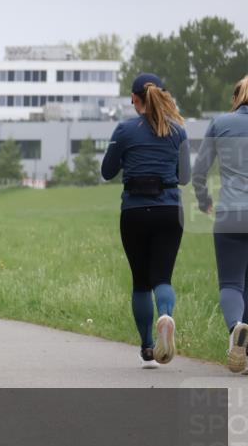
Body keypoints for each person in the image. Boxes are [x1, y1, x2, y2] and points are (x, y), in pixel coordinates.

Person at [101, 73, 191, 369]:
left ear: (135, 99)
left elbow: (107, 171)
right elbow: (185, 177)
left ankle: (148, 347)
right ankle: (165, 315)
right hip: (169, 211)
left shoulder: (125, 130)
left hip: (135, 212)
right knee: (162, 277)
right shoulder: (178, 131)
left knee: (141, 282)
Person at [192, 75, 248, 373]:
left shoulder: (221, 123)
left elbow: (199, 170)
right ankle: (246, 350)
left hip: (230, 214)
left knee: (231, 283)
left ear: (237, 96)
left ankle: (237, 328)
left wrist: (203, 200)